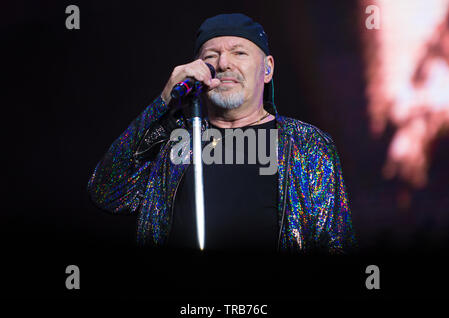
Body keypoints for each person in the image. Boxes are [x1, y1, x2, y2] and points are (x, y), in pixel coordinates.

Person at [87, 13, 357, 254]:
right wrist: (163, 101)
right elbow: (107, 192)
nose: (223, 63)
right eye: (210, 56)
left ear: (267, 68)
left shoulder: (306, 143)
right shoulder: (174, 140)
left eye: (239, 53)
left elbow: (335, 242)